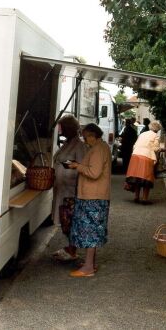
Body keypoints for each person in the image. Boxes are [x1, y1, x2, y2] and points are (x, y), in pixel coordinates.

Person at [67, 123, 112, 277]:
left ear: (93, 135)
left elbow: (94, 173)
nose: (85, 141)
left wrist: (76, 166)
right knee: (93, 230)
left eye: (86, 137)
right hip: (95, 195)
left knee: (90, 232)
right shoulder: (101, 147)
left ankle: (88, 268)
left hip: (93, 196)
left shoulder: (98, 149)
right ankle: (90, 263)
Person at [51, 115, 87, 261]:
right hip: (62, 188)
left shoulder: (79, 146)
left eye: (63, 128)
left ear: (70, 129)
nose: (61, 130)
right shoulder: (67, 143)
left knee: (69, 220)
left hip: (71, 190)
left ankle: (72, 249)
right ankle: (70, 247)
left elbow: (82, 166)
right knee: (65, 219)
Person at [124, 121, 162, 205]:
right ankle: (145, 199)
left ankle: (136, 197)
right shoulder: (156, 136)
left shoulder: (142, 134)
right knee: (146, 179)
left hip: (135, 155)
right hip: (146, 156)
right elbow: (155, 148)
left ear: (150, 127)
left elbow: (135, 145)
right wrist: (161, 149)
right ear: (158, 129)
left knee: (137, 177)